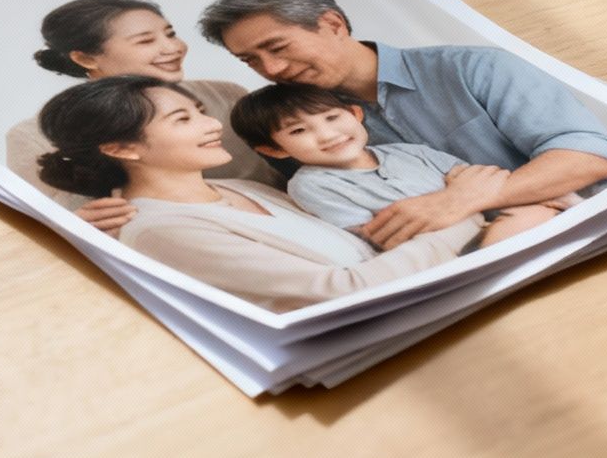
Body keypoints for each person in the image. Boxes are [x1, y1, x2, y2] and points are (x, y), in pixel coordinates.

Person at [197, 0, 607, 251]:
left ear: (332, 24)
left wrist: (465, 198)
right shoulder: (296, 131)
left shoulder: (474, 68)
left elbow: (590, 157)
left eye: (278, 47)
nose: (271, 71)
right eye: (251, 60)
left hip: (598, 233)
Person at [36, 75, 493, 311]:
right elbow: (342, 290)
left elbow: (376, 246)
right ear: (121, 148)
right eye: (183, 119)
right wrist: (467, 210)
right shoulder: (159, 230)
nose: (212, 123)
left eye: (199, 111)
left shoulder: (241, 187)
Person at [7, 0, 279, 232]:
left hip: (281, 219)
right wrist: (71, 226)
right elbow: (46, 224)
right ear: (86, 58)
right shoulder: (35, 136)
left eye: (170, 34)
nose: (173, 48)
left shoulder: (226, 94)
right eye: (146, 41)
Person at [230, 82, 565, 251]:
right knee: (532, 215)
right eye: (299, 131)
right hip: (444, 250)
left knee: (536, 207)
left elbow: (481, 181)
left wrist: (473, 197)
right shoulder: (311, 185)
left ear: (356, 115)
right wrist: (465, 202)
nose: (327, 134)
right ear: (273, 149)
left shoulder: (410, 152)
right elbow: (378, 236)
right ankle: (494, 266)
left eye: (332, 117)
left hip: (491, 226)